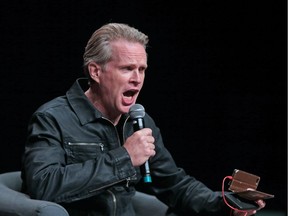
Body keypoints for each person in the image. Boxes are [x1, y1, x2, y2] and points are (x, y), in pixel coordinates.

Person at [21, 22, 266, 216]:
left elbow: (175, 185)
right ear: (96, 72)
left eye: (142, 69)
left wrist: (225, 205)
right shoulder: (53, 118)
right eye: (127, 68)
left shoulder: (139, 121)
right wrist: (124, 157)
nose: (137, 79)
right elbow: (43, 184)